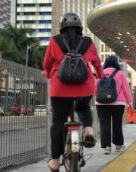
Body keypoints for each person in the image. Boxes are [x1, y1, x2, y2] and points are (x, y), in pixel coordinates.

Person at [43, 13, 104, 172]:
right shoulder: (88, 42)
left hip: (60, 88)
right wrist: (101, 74)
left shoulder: (54, 41)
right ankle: (88, 130)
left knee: (58, 123)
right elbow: (97, 62)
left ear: (62, 27)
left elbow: (47, 63)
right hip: (85, 87)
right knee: (83, 107)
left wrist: (47, 73)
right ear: (80, 27)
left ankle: (55, 161)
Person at [96, 56, 133, 155]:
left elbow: (95, 88)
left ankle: (107, 147)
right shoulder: (120, 74)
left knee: (104, 125)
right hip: (118, 103)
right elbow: (126, 89)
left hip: (101, 103)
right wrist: (131, 103)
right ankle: (118, 145)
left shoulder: (100, 73)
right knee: (117, 124)